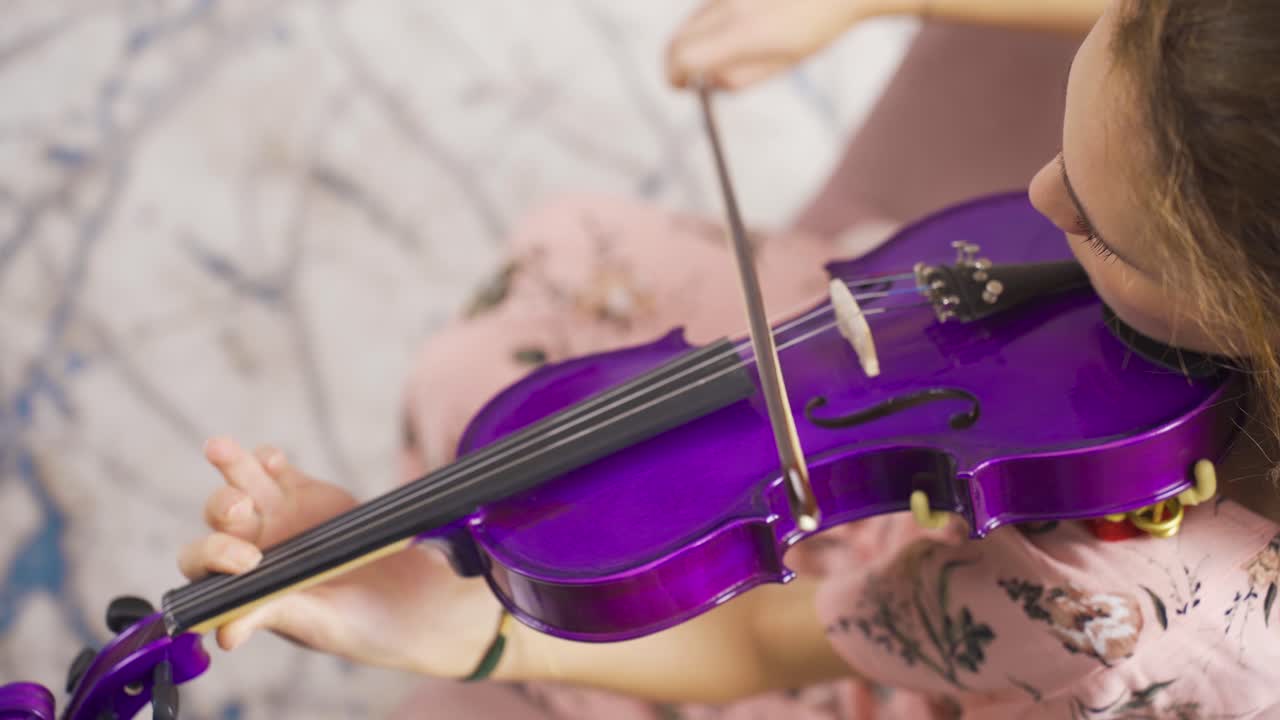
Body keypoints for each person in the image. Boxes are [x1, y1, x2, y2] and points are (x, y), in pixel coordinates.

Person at [178, 0, 1280, 717]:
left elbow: (757, 643)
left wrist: (461, 631)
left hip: (954, 648)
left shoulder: (1111, 608)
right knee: (567, 278)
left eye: (1095, 225)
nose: (1030, 201)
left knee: (523, 405)